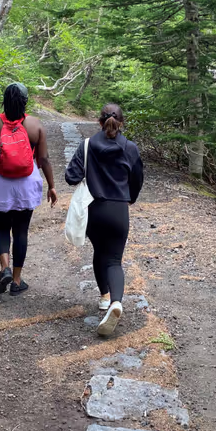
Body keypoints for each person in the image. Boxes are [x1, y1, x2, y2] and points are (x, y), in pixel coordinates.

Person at [65, 103, 143, 336]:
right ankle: (116, 302)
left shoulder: (87, 146)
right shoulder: (130, 147)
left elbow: (71, 177)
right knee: (114, 260)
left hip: (93, 209)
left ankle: (103, 297)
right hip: (119, 209)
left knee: (100, 251)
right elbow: (137, 179)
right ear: (122, 123)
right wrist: (130, 198)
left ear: (99, 122)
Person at [0, 82, 57, 295]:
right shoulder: (35, 125)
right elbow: (44, 159)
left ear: (4, 100)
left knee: (1, 226)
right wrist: (52, 186)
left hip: (0, 182)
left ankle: (4, 268)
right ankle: (17, 281)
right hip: (27, 182)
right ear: (25, 102)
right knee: (21, 230)